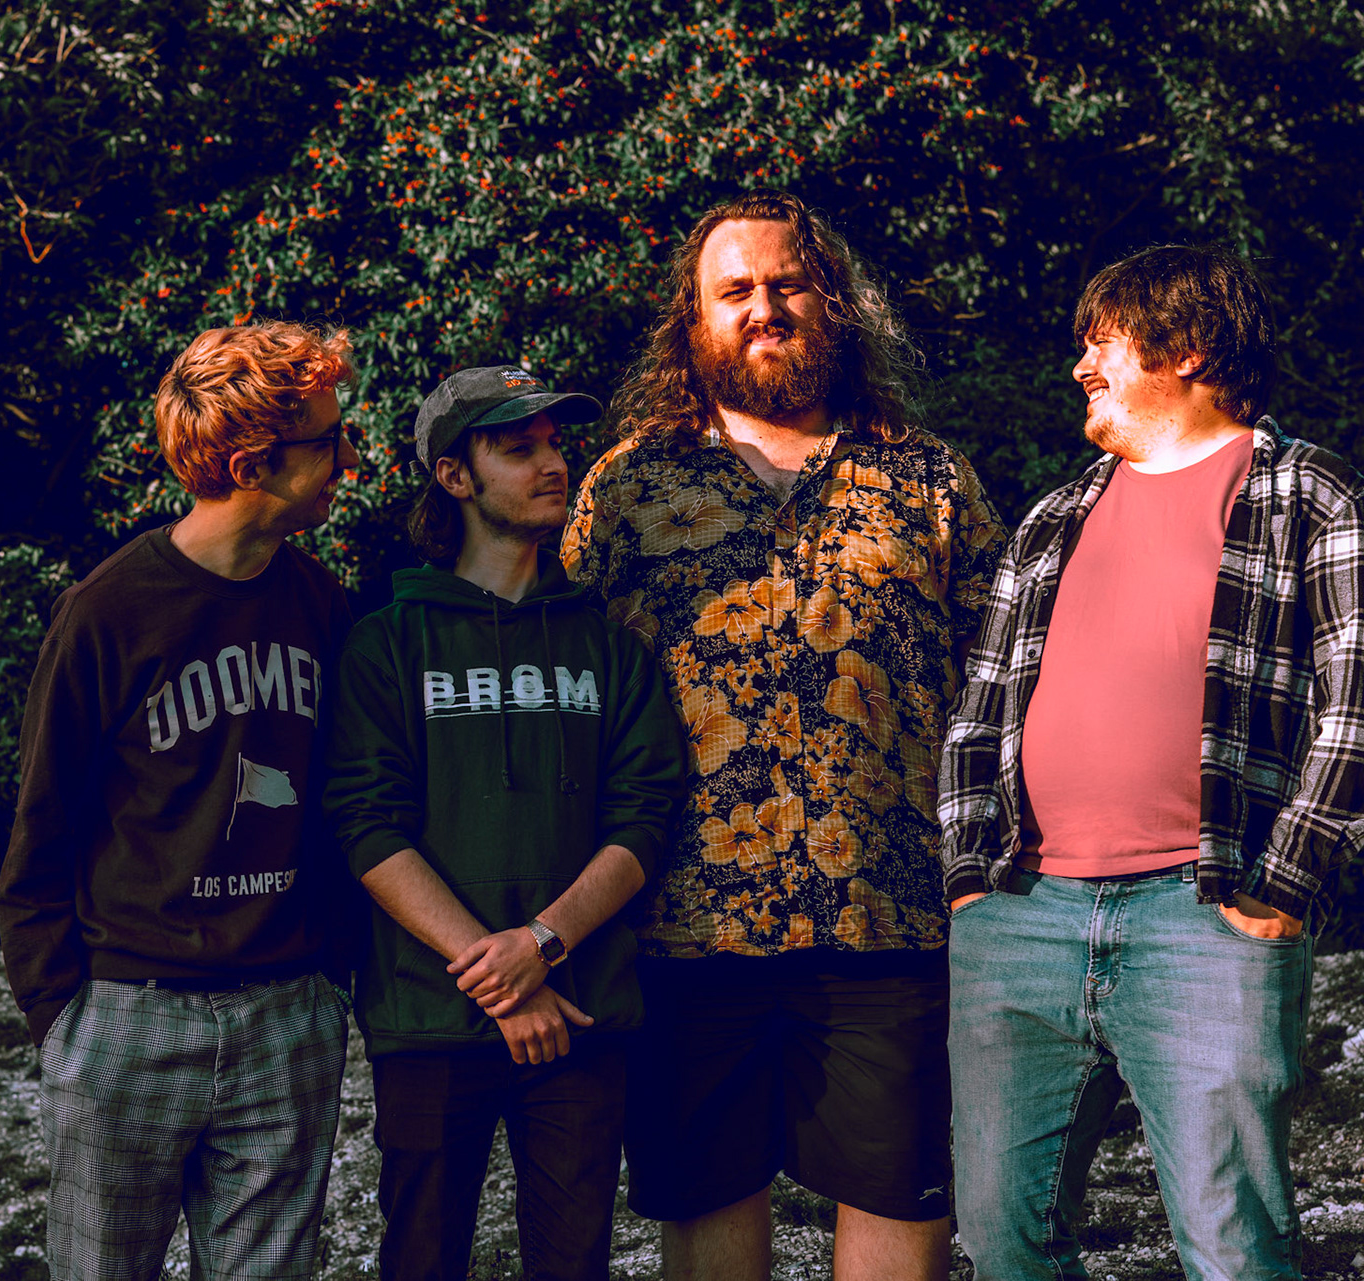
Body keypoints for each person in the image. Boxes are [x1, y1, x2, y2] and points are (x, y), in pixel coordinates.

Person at [562, 189, 1008, 1281]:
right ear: (694, 320)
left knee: (902, 1195)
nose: (763, 306)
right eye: (735, 290)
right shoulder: (628, 486)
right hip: (685, 921)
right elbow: (568, 690)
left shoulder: (927, 478)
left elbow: (1007, 688)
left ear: (833, 303)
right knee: (709, 1200)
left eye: (787, 283)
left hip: (891, 918)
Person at [939, 245, 1364, 1280]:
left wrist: (1283, 888)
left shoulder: (1307, 493)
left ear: (1191, 347)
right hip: (1020, 915)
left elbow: (1356, 702)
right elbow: (978, 713)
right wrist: (968, 884)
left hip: (1206, 915)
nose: (1080, 365)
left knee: (1232, 1247)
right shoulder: (1053, 517)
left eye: (1105, 342)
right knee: (1002, 1242)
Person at [0, 320, 363, 1281]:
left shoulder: (321, 604)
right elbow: (43, 826)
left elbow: (343, 802)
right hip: (129, 1017)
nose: (348, 462)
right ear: (250, 465)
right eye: (329, 441)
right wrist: (62, 1021)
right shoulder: (108, 611)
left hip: (287, 1011)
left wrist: (327, 980)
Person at [324, 365, 685, 1281]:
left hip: (581, 1011)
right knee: (421, 1259)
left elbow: (644, 818)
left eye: (555, 443)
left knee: (573, 1265)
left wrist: (544, 944)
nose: (551, 464)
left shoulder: (609, 647)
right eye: (518, 448)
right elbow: (368, 825)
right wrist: (505, 980)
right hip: (429, 1016)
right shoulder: (386, 643)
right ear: (454, 476)